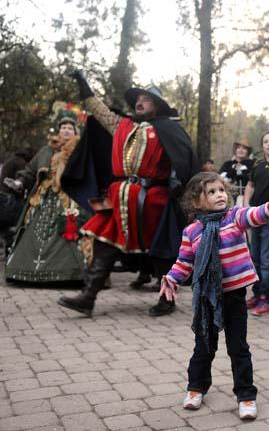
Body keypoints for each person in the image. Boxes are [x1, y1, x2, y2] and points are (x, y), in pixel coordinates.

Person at [57, 71, 198, 317]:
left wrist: (176, 178)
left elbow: (182, 157)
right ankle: (88, 297)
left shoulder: (167, 129)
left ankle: (167, 299)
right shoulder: (122, 126)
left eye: (146, 99)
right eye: (138, 99)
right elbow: (100, 112)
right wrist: (85, 87)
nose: (139, 102)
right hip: (119, 196)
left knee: (160, 251)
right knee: (103, 240)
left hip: (154, 198)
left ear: (157, 105)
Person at [158, 171, 269, 420]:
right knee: (204, 346)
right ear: (197, 201)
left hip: (235, 296)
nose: (219, 195)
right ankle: (196, 387)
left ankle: (246, 395)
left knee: (238, 347)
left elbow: (257, 214)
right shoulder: (192, 232)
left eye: (221, 190)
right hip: (207, 298)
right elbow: (184, 262)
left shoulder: (234, 217)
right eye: (212, 192)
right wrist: (171, 278)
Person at [4, 114, 91, 283]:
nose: (66, 131)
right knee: (35, 231)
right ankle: (23, 271)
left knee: (69, 229)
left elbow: (88, 173)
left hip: (69, 199)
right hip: (43, 198)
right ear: (58, 132)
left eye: (70, 128)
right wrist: (19, 182)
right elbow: (30, 170)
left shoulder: (81, 150)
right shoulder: (46, 150)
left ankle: (72, 274)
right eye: (63, 128)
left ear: (75, 132)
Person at [243, 131, 269, 316]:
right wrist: (245, 206)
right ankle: (256, 294)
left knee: (268, 260)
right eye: (265, 141)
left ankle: (266, 299)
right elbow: (250, 186)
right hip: (254, 216)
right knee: (255, 257)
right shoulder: (257, 164)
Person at [0, 147, 33, 241]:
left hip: (2, 195)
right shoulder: (21, 163)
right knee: (10, 229)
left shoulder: (9, 160)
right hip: (10, 200)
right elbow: (20, 183)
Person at [219, 140, 254, 206]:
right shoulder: (227, 164)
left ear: (248, 151)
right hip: (228, 196)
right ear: (235, 150)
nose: (241, 150)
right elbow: (219, 178)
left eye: (244, 148)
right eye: (238, 148)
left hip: (248, 198)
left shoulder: (252, 164)